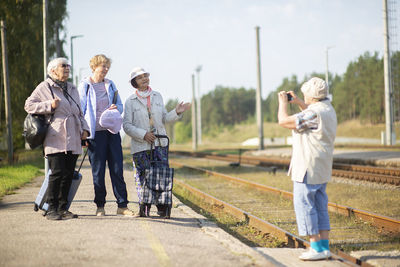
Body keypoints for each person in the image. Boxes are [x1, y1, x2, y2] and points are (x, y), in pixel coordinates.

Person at [277, 77, 337, 261]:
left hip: (307, 167)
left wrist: (283, 104)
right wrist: (300, 103)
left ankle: (315, 247)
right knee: (320, 206)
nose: (304, 97)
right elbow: (312, 115)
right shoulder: (328, 110)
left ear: (311, 96)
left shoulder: (313, 114)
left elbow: (284, 121)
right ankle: (324, 247)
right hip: (321, 167)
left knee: (306, 205)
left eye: (305, 95)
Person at [25, 57, 90, 220]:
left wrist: (86, 130)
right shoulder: (44, 86)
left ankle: (63, 208)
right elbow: (29, 105)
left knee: (68, 174)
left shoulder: (73, 88)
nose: (67, 68)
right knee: (57, 172)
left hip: (74, 136)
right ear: (53, 70)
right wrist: (48, 105)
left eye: (68, 65)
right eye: (63, 66)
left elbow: (79, 111)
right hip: (56, 137)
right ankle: (51, 209)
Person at [123, 67, 190, 217]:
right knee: (143, 177)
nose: (144, 79)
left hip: (160, 144)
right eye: (140, 77)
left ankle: (162, 208)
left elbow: (164, 118)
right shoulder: (130, 101)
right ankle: (145, 208)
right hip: (141, 146)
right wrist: (143, 134)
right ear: (134, 82)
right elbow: (126, 125)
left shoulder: (157, 96)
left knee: (161, 176)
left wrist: (177, 112)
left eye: (146, 76)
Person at [78, 54, 134, 217]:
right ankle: (100, 206)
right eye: (103, 65)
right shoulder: (85, 86)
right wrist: (83, 132)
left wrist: (115, 108)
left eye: (107, 66)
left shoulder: (110, 84)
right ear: (94, 67)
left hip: (112, 132)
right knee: (98, 171)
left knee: (117, 168)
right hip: (95, 134)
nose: (106, 69)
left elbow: (120, 105)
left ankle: (122, 205)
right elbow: (80, 109)